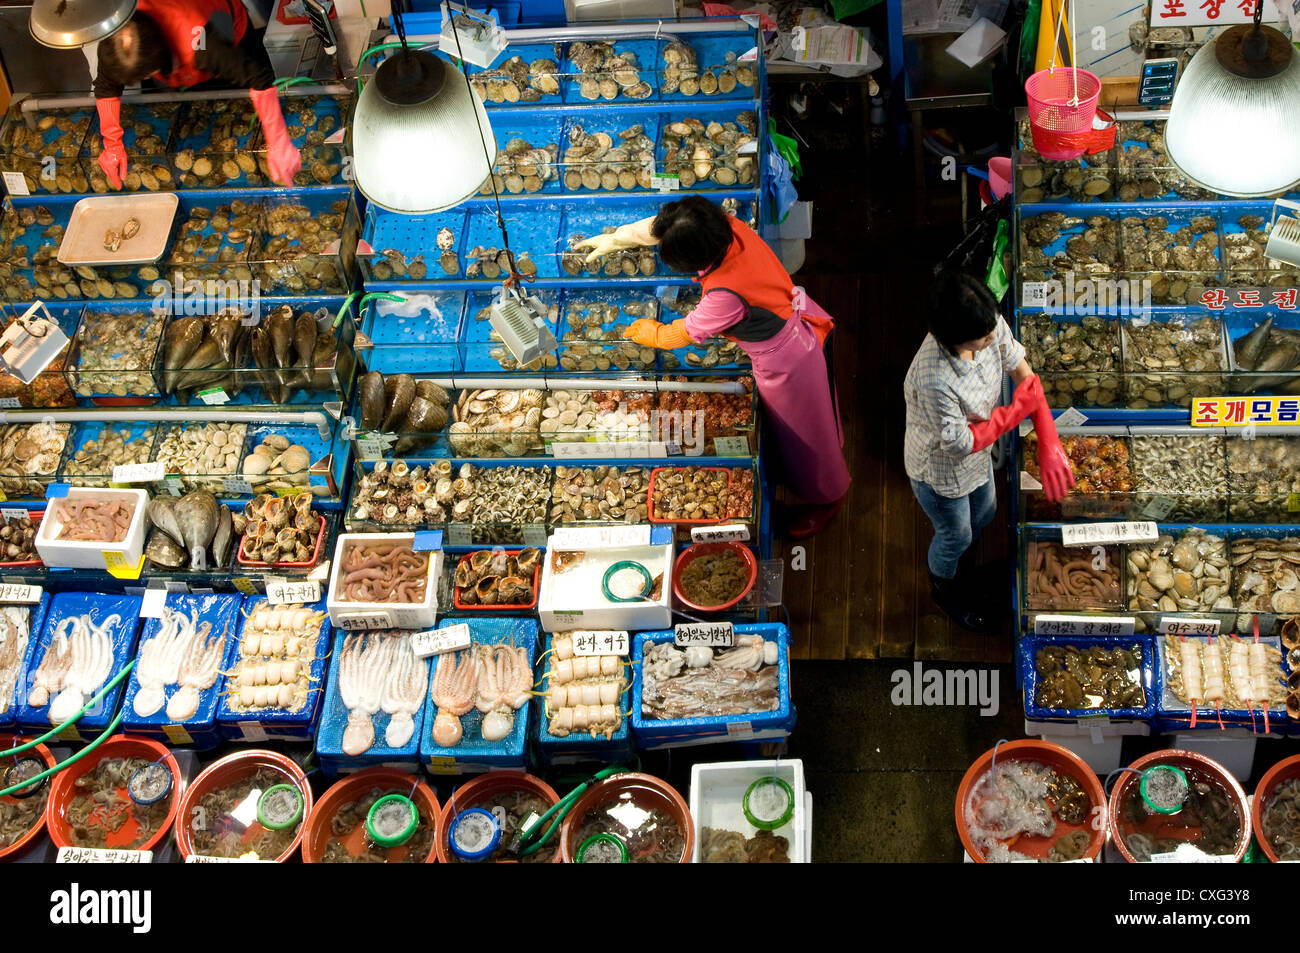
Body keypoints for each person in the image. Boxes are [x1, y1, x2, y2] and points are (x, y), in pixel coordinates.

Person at [577, 197, 850, 538]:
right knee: (813, 419)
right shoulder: (725, 225)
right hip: (791, 317)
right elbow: (661, 227)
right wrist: (618, 238)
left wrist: (656, 334)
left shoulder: (726, 295)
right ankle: (805, 470)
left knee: (809, 433)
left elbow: (688, 331)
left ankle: (827, 499)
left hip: (787, 358)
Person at [903, 269, 1073, 632]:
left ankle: (964, 561)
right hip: (940, 467)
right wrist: (1015, 413)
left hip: (979, 457)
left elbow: (1025, 376)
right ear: (956, 341)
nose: (993, 337)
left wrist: (1049, 439)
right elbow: (961, 442)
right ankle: (943, 587)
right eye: (983, 338)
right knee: (956, 533)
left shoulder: (987, 322)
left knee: (986, 512)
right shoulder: (935, 377)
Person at [91, 0, 302, 189]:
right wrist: (112, 144)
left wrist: (278, 140)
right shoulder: (117, 35)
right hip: (169, 48)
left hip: (224, 32)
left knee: (241, 105)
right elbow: (106, 85)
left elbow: (259, 77)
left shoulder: (204, 47)